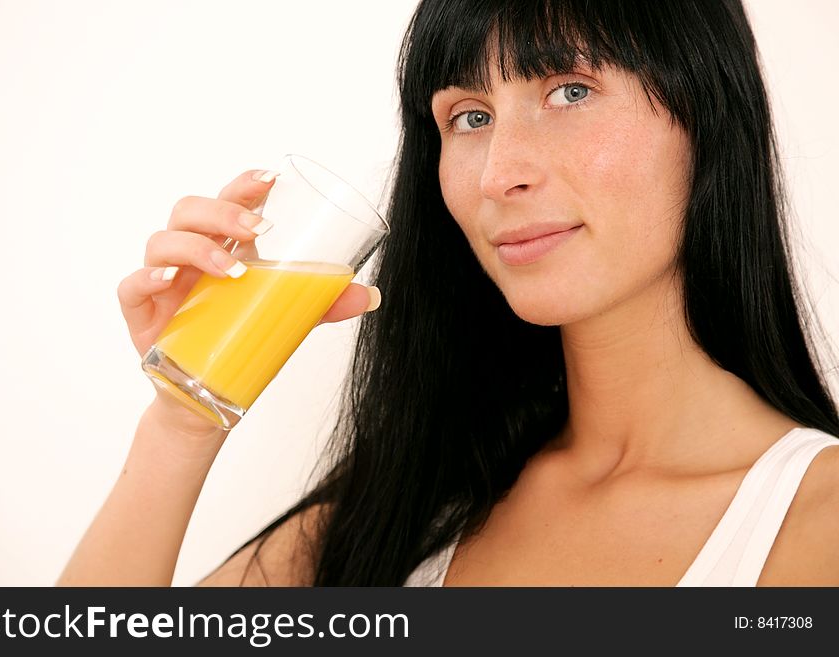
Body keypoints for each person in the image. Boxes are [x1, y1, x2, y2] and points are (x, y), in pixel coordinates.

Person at [57, 0, 839, 587]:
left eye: (569, 91)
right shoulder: (408, 508)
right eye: (469, 116)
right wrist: (183, 419)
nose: (500, 172)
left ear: (709, 117)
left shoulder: (817, 520)